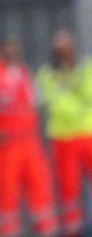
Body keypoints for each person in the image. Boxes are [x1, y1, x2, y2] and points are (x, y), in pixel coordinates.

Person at [0, 36, 58, 237]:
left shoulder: (24, 74)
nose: (13, 51)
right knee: (7, 194)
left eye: (15, 47)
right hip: (5, 146)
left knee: (41, 189)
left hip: (30, 143)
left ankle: (46, 230)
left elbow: (35, 103)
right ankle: (9, 232)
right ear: (0, 49)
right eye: (8, 47)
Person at [37, 29, 92, 237]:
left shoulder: (86, 68)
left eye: (67, 48)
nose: (65, 53)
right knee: (68, 191)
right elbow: (52, 100)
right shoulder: (47, 74)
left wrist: (71, 80)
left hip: (88, 133)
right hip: (63, 138)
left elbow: (89, 94)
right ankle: (73, 231)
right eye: (60, 50)